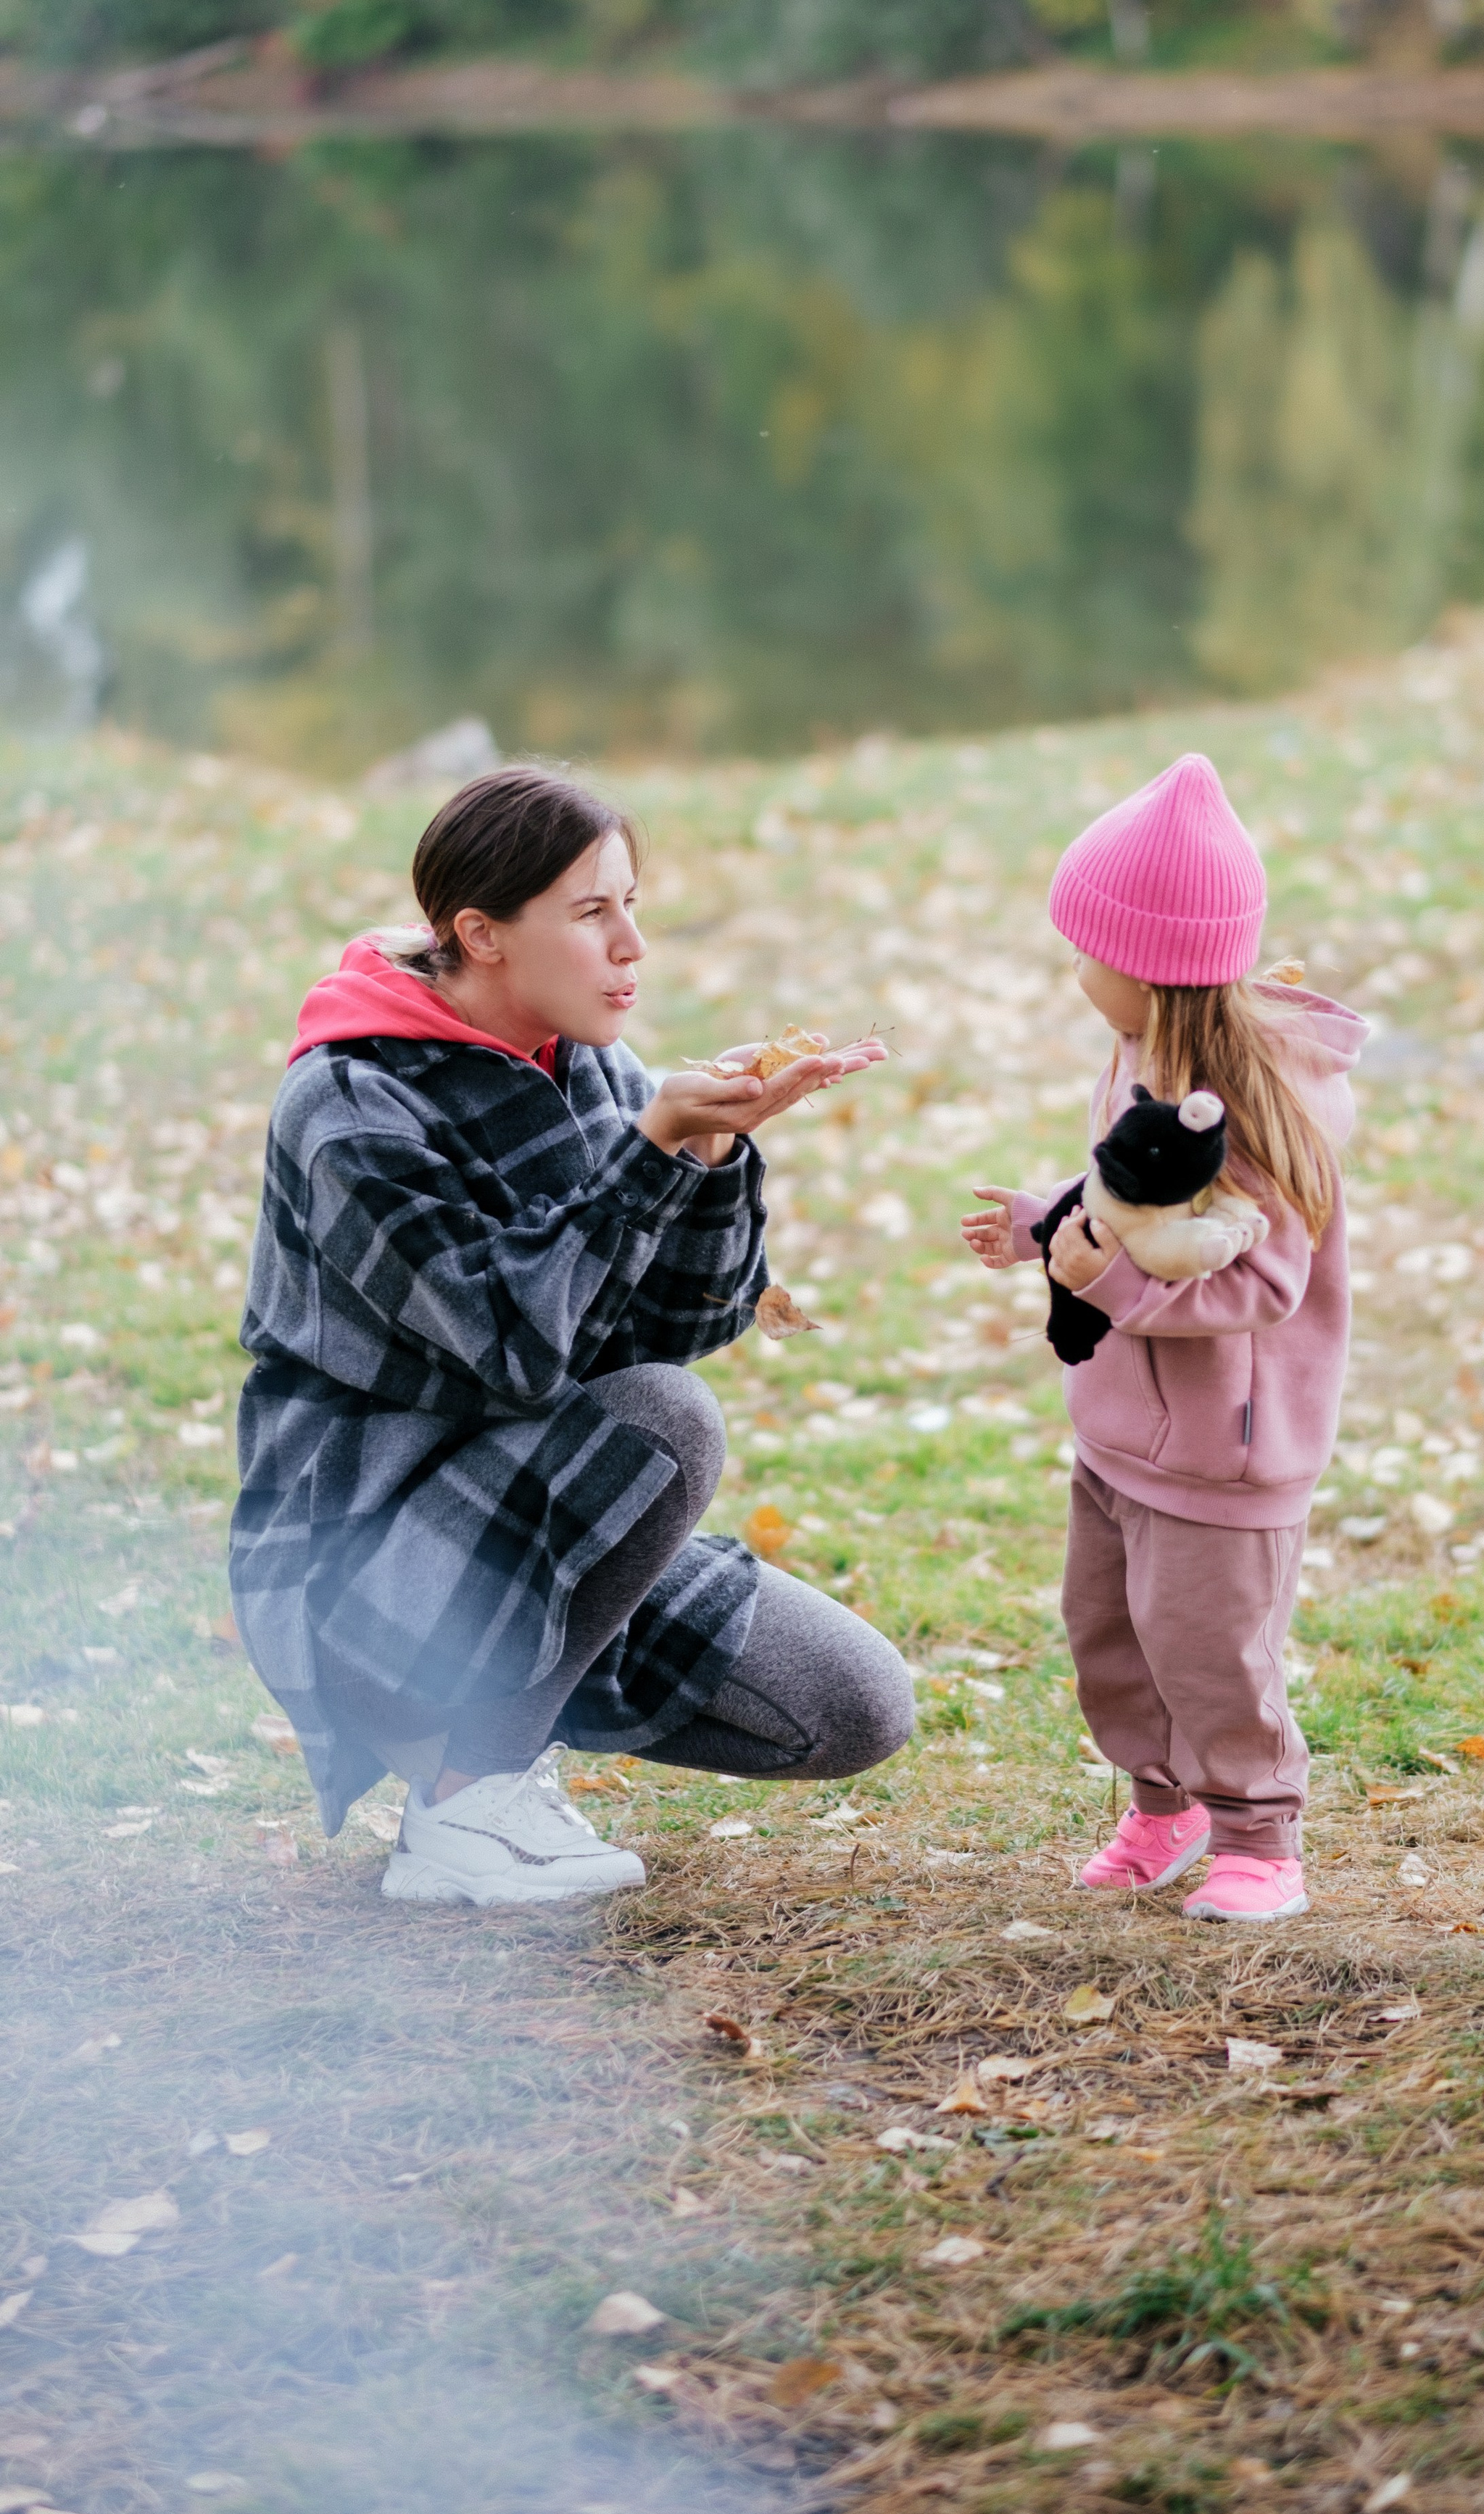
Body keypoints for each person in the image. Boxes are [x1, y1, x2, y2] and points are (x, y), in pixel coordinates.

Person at [231, 766, 913, 1906]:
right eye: (593, 912)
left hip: (535, 1527)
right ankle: (464, 1798)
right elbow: (515, 1348)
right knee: (663, 1423)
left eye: (633, 904)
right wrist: (647, 1150)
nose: (633, 946)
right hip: (359, 1575)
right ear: (480, 933)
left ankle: (500, 1734)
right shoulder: (351, 1103)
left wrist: (707, 1157)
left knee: (850, 1705)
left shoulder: (588, 1066)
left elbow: (678, 1326)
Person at [961, 755, 1363, 1924]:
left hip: (1225, 1450)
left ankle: (1258, 1835)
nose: (1075, 968)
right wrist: (1048, 1221)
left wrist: (1117, 1286)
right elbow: (1127, 1197)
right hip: (1125, 1428)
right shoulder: (1141, 1060)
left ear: (1149, 968)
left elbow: (1265, 1283)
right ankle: (1164, 1800)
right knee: (1112, 1633)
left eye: (1087, 950)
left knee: (1211, 1648)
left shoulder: (1260, 1111)